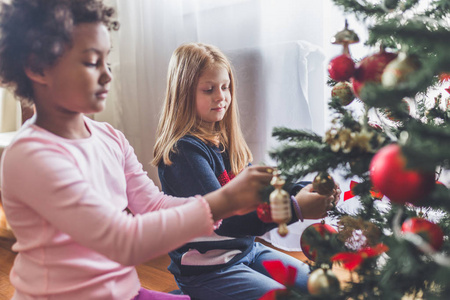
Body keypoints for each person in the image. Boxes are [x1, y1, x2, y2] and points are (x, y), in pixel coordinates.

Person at [0, 2, 275, 300]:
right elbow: (121, 240)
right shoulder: (31, 156)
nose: (107, 75)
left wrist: (230, 204)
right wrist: (222, 202)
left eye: (107, 61)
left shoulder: (109, 137)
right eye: (92, 62)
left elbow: (152, 204)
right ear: (38, 68)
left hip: (126, 292)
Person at [152, 42, 341, 300]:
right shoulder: (183, 153)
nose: (221, 96)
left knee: (322, 288)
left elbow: (261, 191)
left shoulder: (225, 140)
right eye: (209, 90)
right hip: (208, 271)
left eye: (225, 87)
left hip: (247, 252)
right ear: (184, 95)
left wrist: (306, 187)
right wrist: (295, 208)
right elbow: (226, 220)